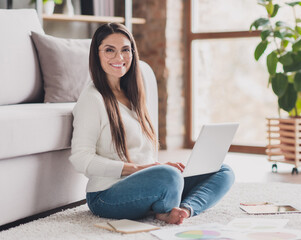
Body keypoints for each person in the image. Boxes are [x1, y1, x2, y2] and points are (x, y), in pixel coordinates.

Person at [69, 22, 235, 225]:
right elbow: (81, 159)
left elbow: (144, 156)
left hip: (146, 181)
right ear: (96, 54)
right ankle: (167, 202)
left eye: (125, 50)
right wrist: (139, 169)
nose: (119, 57)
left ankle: (183, 209)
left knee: (223, 171)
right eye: (109, 50)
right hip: (106, 195)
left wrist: (154, 168)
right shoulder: (92, 99)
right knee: (169, 177)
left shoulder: (134, 95)